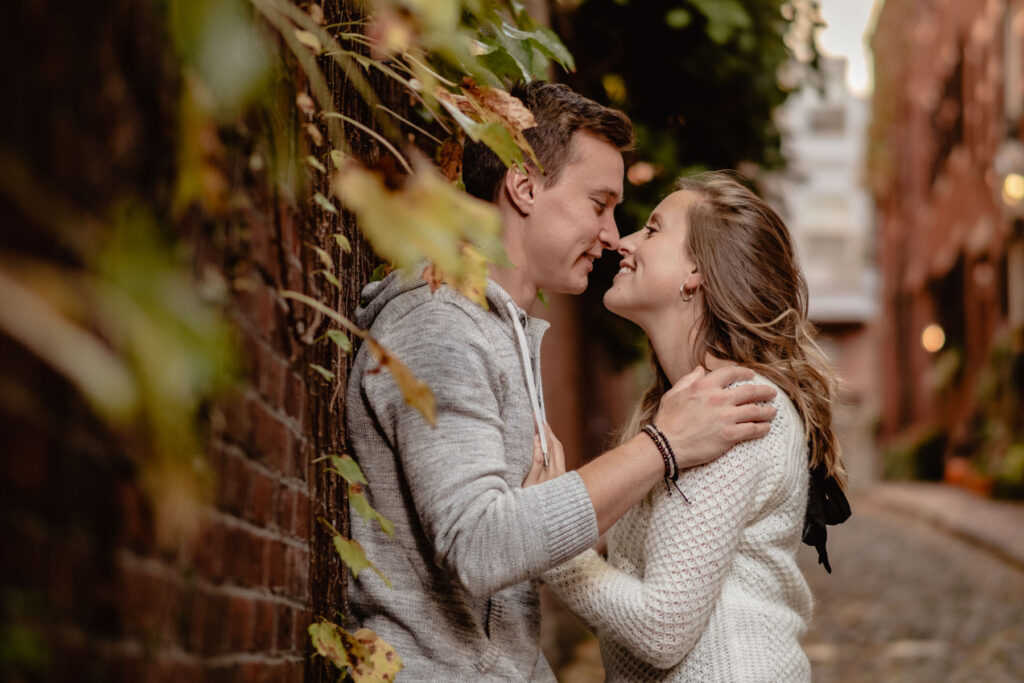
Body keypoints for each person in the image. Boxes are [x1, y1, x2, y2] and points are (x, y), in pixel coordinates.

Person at [344, 83, 779, 680]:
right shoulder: (440, 327)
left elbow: (504, 591)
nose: (613, 235)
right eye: (599, 204)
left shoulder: (497, 331)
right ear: (524, 186)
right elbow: (479, 543)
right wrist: (662, 447)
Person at [534, 172, 850, 682]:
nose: (624, 242)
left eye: (653, 229)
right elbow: (629, 603)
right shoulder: (682, 411)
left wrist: (551, 546)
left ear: (696, 271)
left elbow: (661, 629)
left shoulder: (735, 406)